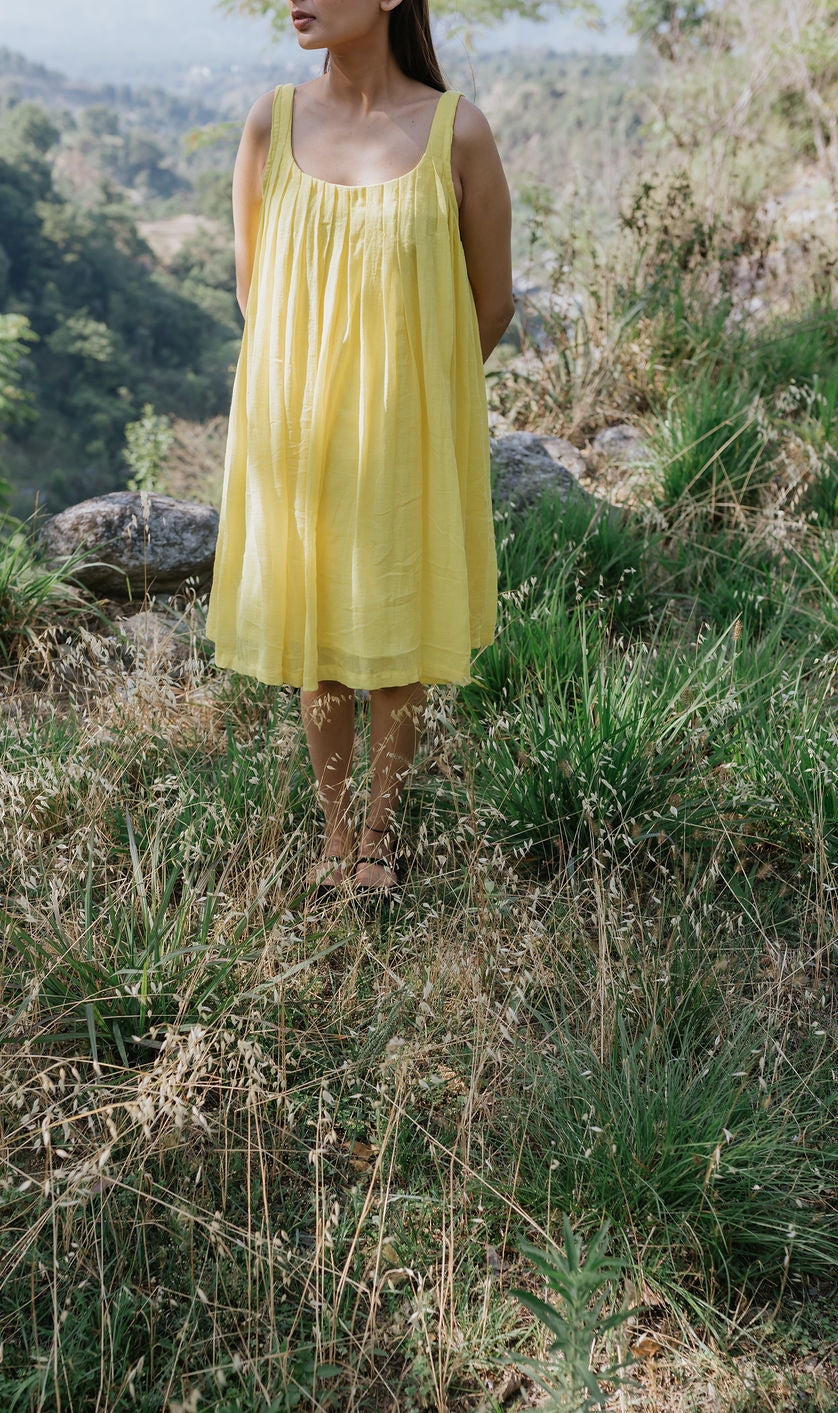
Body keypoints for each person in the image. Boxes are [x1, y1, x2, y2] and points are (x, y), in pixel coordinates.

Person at [204, 0, 515, 904]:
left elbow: (489, 304)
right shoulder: (274, 120)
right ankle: (335, 834)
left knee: (398, 615)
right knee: (320, 632)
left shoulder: (459, 134)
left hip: (409, 423)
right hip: (297, 427)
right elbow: (256, 290)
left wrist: (415, 400)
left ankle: (384, 831)